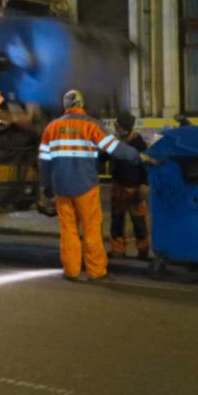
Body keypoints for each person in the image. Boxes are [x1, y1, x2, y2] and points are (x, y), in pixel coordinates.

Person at [39, 89, 141, 282]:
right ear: (82, 105)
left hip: (61, 186)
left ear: (65, 106)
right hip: (85, 185)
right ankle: (96, 271)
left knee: (68, 230)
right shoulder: (91, 125)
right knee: (91, 228)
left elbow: (44, 160)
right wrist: (136, 156)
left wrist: (47, 185)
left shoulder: (51, 128)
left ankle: (71, 270)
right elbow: (114, 148)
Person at [108, 111, 150, 260]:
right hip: (118, 187)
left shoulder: (139, 144)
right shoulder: (115, 142)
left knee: (139, 223)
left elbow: (146, 165)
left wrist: (145, 184)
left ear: (123, 127)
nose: (115, 127)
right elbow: (103, 156)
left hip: (135, 189)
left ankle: (143, 251)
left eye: (117, 124)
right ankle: (118, 250)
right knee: (117, 222)